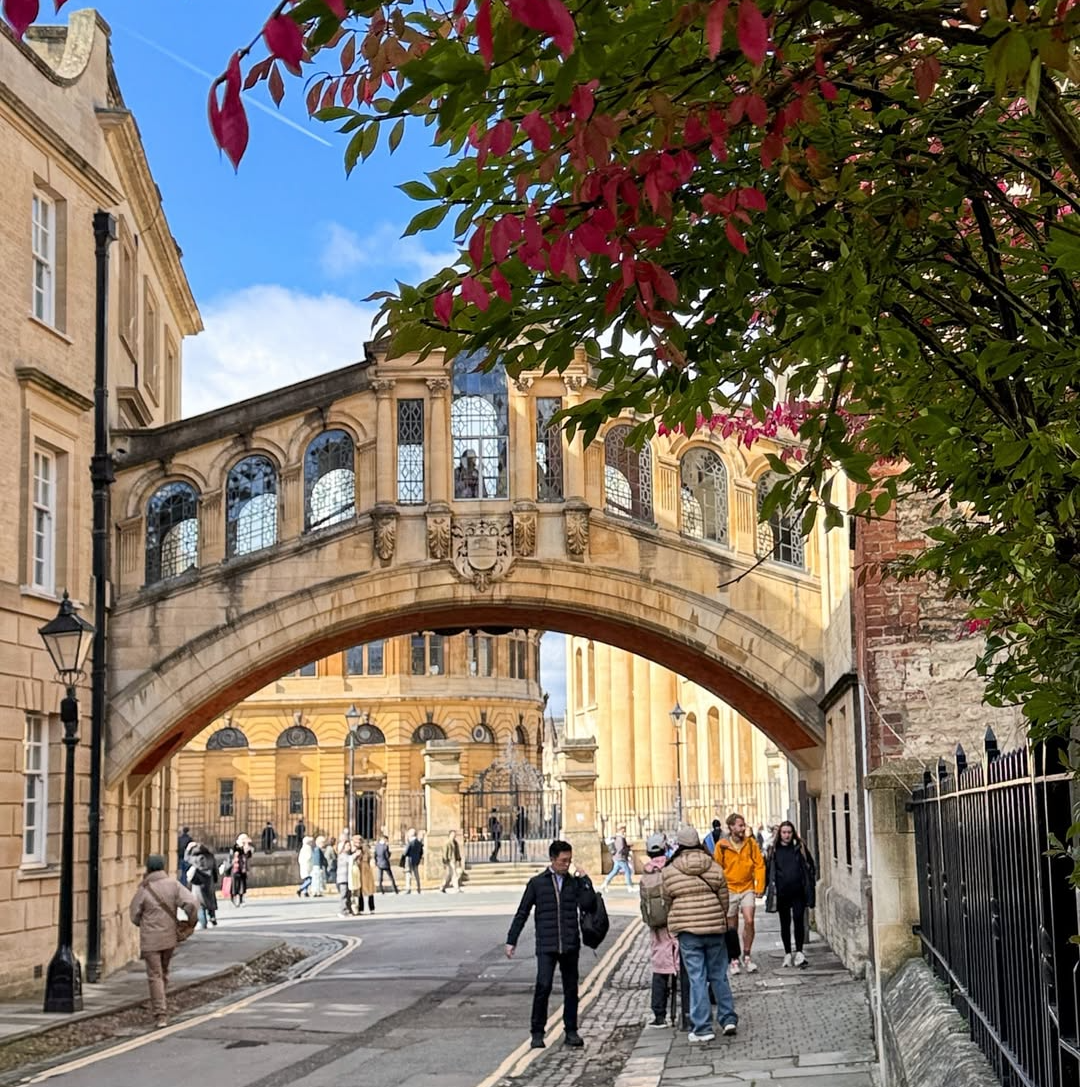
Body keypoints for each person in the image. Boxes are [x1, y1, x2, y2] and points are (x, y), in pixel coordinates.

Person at [506, 839, 596, 1050]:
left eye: (569, 861)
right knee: (543, 987)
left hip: (570, 943)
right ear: (552, 859)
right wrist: (512, 940)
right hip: (546, 945)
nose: (567, 864)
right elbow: (522, 912)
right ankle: (537, 1033)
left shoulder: (574, 883)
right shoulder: (537, 883)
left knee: (571, 989)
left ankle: (571, 1031)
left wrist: (585, 879)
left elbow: (588, 903)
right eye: (563, 861)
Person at [662, 825, 737, 1043]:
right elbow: (725, 898)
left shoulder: (670, 870)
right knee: (718, 975)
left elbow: (667, 901)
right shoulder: (713, 866)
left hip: (688, 931)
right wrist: (718, 917)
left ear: (679, 845)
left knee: (697, 977)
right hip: (714, 928)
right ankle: (728, 1018)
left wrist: (674, 920)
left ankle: (703, 1028)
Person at [129, 854, 198, 1028]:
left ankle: (160, 1014)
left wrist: (144, 922)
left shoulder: (144, 889)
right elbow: (191, 903)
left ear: (148, 868)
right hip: (169, 938)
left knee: (155, 975)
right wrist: (191, 922)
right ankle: (161, 1002)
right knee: (164, 972)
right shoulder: (173, 885)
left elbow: (134, 915)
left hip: (150, 940)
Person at [640, 833, 689, 1028]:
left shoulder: (646, 874)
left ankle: (659, 1015)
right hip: (676, 924)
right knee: (684, 968)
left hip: (658, 929)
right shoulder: (672, 868)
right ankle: (686, 1011)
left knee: (660, 970)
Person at [713, 813, 765, 975]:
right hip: (729, 888)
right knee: (731, 926)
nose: (743, 828)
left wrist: (759, 886)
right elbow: (717, 868)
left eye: (743, 825)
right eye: (740, 825)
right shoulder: (722, 845)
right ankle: (734, 958)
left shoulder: (750, 843)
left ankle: (747, 955)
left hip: (747, 886)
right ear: (731, 827)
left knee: (749, 920)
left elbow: (759, 864)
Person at [765, 821, 817, 968]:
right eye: (784, 832)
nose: (787, 835)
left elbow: (811, 865)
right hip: (782, 892)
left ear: (792, 833)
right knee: (785, 923)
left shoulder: (799, 847)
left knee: (799, 919)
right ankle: (787, 953)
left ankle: (799, 952)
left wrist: (809, 883)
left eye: (789, 832)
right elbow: (768, 870)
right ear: (780, 834)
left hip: (798, 891)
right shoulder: (774, 850)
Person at [185, 841, 218, 928]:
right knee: (210, 901)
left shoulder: (195, 858)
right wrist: (215, 880)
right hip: (209, 881)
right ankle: (212, 918)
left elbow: (186, 858)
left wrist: (188, 849)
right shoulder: (210, 857)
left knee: (200, 904)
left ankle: (203, 922)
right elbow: (215, 870)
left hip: (199, 883)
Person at [601, 825, 634, 892]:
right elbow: (621, 848)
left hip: (617, 857)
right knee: (627, 871)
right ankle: (629, 886)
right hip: (620, 857)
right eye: (624, 829)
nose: (625, 830)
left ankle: (605, 883)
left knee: (615, 871)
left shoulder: (617, 837)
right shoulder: (620, 838)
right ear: (621, 829)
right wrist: (628, 848)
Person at [351, 838, 377, 914]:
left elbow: (370, 858)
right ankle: (360, 908)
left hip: (366, 870)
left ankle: (372, 908)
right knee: (359, 891)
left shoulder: (366, 849)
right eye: (356, 842)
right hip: (357, 870)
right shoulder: (353, 849)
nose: (358, 844)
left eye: (359, 842)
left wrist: (372, 863)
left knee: (370, 890)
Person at [229, 833, 254, 906]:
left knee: (242, 884)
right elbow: (233, 854)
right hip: (235, 868)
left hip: (243, 868)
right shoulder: (235, 846)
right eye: (244, 839)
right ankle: (233, 897)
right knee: (235, 884)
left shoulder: (246, 847)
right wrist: (242, 846)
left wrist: (247, 846)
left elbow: (249, 855)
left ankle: (241, 899)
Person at [336, 838, 354, 917]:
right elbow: (350, 860)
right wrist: (355, 855)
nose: (349, 847)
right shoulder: (342, 855)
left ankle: (348, 910)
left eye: (349, 845)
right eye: (347, 845)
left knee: (348, 895)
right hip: (342, 878)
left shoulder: (347, 855)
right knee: (344, 895)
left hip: (348, 878)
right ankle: (342, 911)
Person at [404, 828, 424, 893]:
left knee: (408, 874)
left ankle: (408, 888)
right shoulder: (419, 843)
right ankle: (418, 888)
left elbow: (405, 852)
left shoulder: (410, 843)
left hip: (409, 860)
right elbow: (421, 852)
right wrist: (418, 858)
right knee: (416, 874)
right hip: (416, 860)